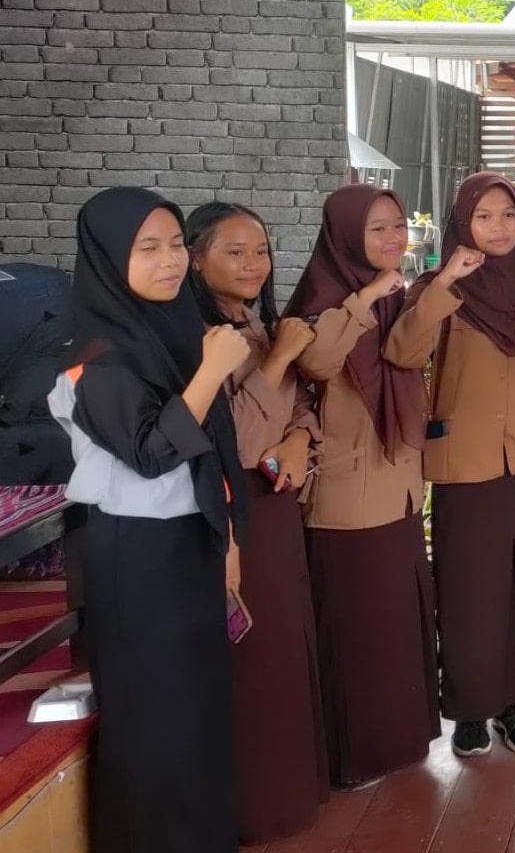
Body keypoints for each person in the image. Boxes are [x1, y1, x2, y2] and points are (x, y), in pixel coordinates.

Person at [47, 187, 252, 853]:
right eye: (148, 248)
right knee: (156, 725)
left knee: (196, 718)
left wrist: (225, 536)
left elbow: (212, 452)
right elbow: (152, 449)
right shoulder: (95, 358)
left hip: (187, 543)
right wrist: (211, 370)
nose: (170, 261)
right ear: (110, 258)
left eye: (174, 245)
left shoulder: (169, 330)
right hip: (136, 559)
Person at [395, 173, 515, 758]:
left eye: (505, 216)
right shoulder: (436, 291)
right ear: (462, 225)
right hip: (461, 467)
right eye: (483, 217)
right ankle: (469, 706)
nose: (497, 228)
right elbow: (403, 351)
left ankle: (512, 703)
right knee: (468, 591)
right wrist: (447, 280)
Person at [285, 184, 443, 789]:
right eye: (377, 229)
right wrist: (365, 298)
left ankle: (399, 741)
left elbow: (409, 359)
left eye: (398, 226)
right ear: (345, 234)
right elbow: (318, 362)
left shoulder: (394, 298)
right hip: (345, 498)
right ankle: (354, 756)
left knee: (397, 625)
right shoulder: (323, 297)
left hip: (399, 486)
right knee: (355, 629)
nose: (392, 239)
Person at [185, 203, 329, 842]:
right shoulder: (198, 337)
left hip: (276, 503)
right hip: (234, 510)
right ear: (196, 259)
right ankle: (259, 803)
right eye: (234, 251)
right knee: (254, 655)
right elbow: (235, 439)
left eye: (261, 251)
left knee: (286, 647)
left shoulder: (255, 324)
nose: (253, 264)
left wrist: (300, 441)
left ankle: (296, 790)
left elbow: (298, 407)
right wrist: (280, 360)